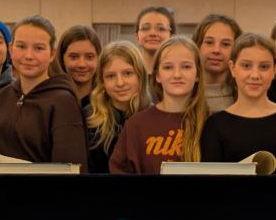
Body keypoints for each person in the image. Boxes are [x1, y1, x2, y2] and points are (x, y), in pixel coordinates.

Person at [200, 34, 276, 173]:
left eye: (264, 67)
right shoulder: (215, 125)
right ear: (232, 68)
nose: (255, 75)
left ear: (274, 70)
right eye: (246, 66)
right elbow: (211, 182)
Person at [0, 16, 89, 166]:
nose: (29, 56)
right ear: (11, 49)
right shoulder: (6, 95)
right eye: (21, 47)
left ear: (52, 54)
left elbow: (69, 167)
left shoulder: (63, 101)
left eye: (38, 48)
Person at [110, 36, 206, 174]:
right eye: (168, 67)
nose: (177, 74)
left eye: (186, 67)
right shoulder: (136, 125)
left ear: (197, 74)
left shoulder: (211, 123)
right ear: (157, 75)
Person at [87, 41, 150, 174]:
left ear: (141, 76)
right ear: (102, 82)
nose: (120, 83)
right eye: (111, 76)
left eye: (128, 73)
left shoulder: (155, 117)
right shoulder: (88, 119)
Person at [193, 13, 241, 114]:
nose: (216, 50)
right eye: (209, 42)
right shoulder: (183, 95)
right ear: (197, 45)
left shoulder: (244, 96)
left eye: (225, 44)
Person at [57, 24, 102, 106]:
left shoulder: (108, 103)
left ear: (99, 58)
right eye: (74, 57)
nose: (82, 64)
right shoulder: (51, 100)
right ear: (62, 58)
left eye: (89, 57)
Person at [134, 5, 176, 73]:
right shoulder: (128, 74)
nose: (152, 33)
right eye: (145, 28)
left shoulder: (178, 74)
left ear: (172, 37)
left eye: (161, 28)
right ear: (137, 37)